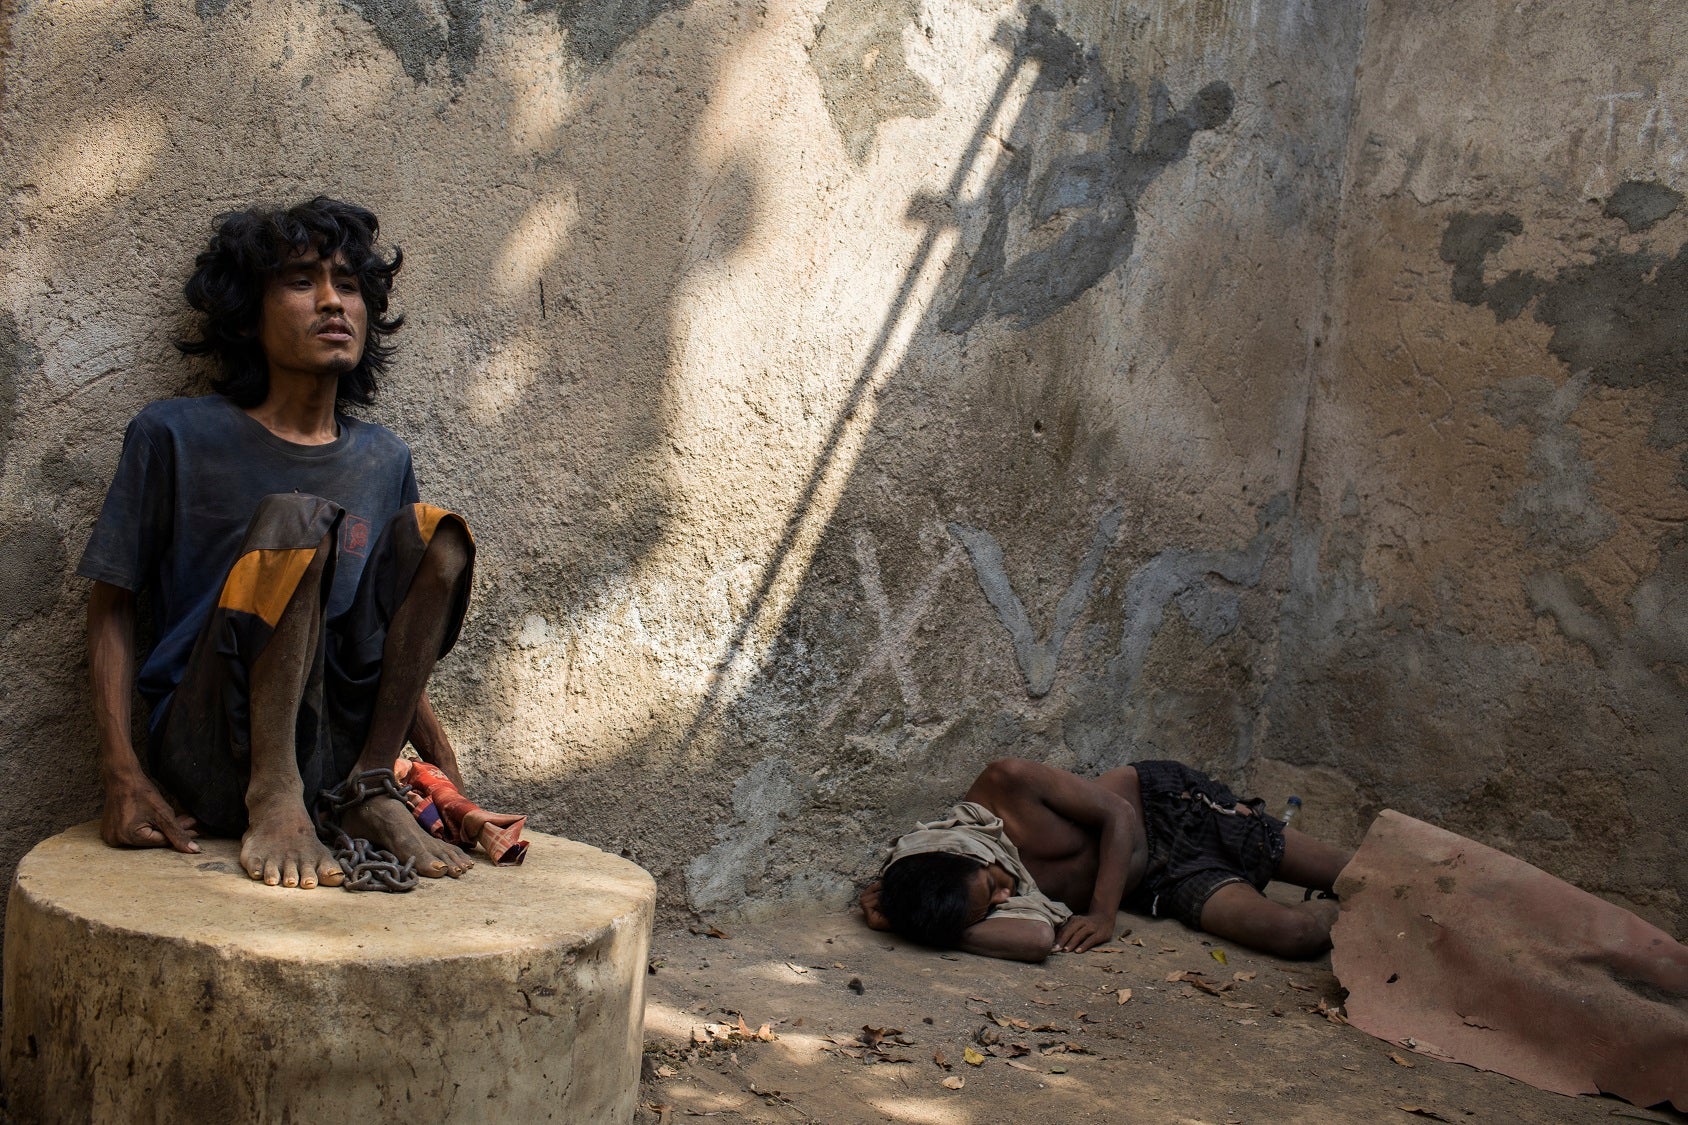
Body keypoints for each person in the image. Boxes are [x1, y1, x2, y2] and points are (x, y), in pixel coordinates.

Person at [79, 196, 477, 889]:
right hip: (214, 745)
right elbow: (110, 605)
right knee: (300, 520)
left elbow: (390, 631)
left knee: (438, 536)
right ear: (247, 313)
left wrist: (446, 774)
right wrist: (122, 772)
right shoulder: (174, 434)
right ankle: (275, 796)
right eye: (301, 281)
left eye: (348, 285)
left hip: (337, 752)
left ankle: (370, 791)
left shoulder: (384, 457)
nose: (333, 302)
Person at [859, 757, 1351, 961]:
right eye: (992, 906)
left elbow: (1118, 814)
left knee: (1356, 875)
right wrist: (923, 927)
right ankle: (1355, 918)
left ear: (965, 854)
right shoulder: (949, 896)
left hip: (1173, 812)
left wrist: (1102, 915)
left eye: (993, 889)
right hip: (1161, 883)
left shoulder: (1004, 788)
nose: (1007, 897)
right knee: (1295, 935)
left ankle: (1354, 891)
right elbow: (1032, 939)